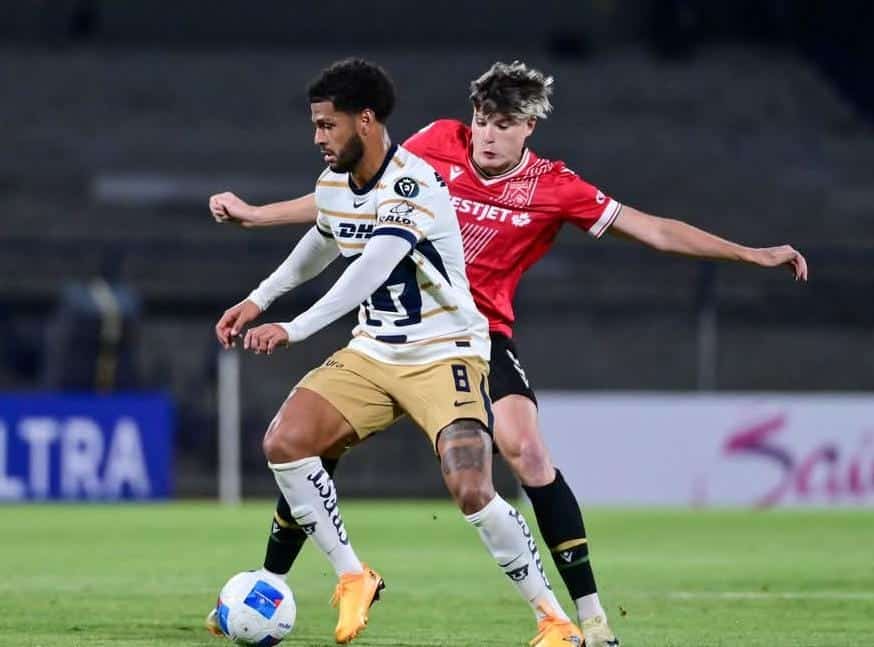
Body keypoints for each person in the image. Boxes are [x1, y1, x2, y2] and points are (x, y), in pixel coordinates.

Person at [210, 61, 809, 647]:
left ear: (529, 128)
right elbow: (348, 199)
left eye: (503, 124)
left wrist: (748, 255)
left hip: (476, 334)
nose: (488, 135)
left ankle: (588, 620)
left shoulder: (555, 186)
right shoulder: (438, 145)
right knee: (305, 444)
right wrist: (261, 217)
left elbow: (652, 230)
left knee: (524, 451)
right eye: (482, 120)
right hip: (388, 330)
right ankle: (278, 581)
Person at [208, 58, 584, 647]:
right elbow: (323, 241)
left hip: (446, 350)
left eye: (327, 126)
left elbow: (374, 265)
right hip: (375, 351)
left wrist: (295, 327)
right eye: (315, 125)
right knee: (285, 442)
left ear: (364, 121)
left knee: (469, 485)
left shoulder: (414, 183)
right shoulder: (334, 185)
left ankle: (554, 619)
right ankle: (354, 575)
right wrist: (258, 300)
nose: (317, 138)